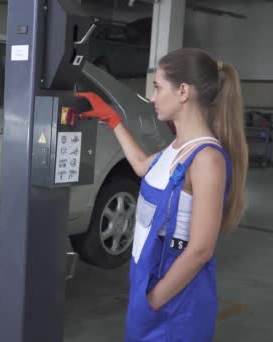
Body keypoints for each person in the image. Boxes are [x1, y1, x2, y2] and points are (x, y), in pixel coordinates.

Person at [77, 47, 248, 341]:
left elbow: (201, 250)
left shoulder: (206, 158)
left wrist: (153, 300)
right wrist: (112, 119)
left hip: (178, 296)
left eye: (158, 87)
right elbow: (144, 167)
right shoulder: (177, 146)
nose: (153, 97)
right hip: (150, 275)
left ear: (183, 91)